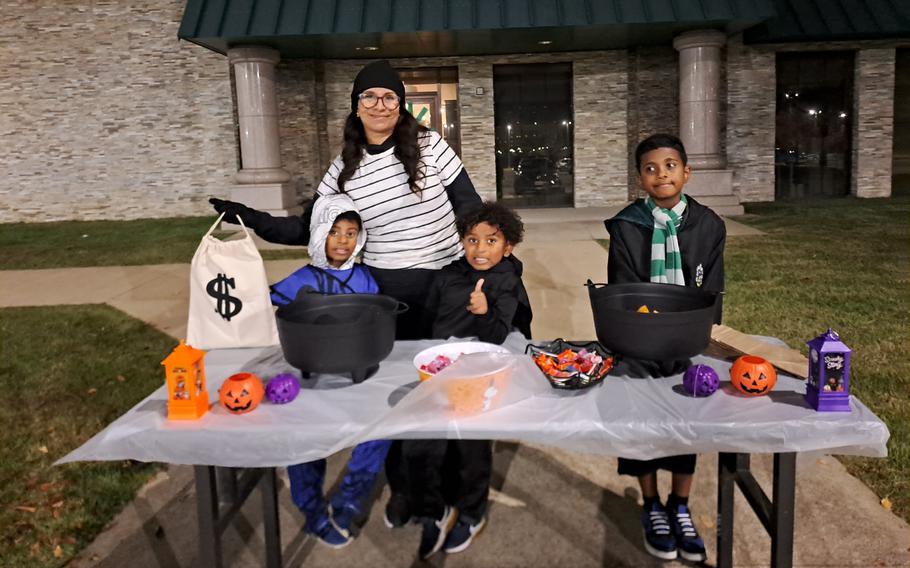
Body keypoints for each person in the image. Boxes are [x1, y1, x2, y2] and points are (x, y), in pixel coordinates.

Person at [209, 60, 482, 535]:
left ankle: (451, 493)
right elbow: (307, 228)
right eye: (369, 97)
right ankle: (406, 490)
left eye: (390, 98)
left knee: (445, 393)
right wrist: (250, 217)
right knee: (395, 395)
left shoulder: (431, 146)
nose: (380, 105)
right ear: (356, 108)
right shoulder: (343, 167)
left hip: (444, 286)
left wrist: (487, 260)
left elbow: (470, 207)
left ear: (401, 107)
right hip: (381, 294)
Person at [604, 133, 726, 563]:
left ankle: (680, 504)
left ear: (686, 172)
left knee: (683, 419)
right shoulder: (626, 225)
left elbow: (712, 286)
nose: (661, 174)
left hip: (687, 338)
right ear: (640, 178)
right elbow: (622, 287)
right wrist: (639, 330)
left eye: (670, 165)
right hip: (639, 339)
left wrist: (705, 333)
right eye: (651, 168)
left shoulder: (709, 225)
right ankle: (651, 503)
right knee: (640, 422)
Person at [404, 202, 532, 559]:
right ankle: (436, 507)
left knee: (471, 447)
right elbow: (430, 322)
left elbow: (496, 336)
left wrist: (483, 311)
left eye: (491, 241)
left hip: (481, 370)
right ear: (462, 242)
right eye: (472, 240)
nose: (480, 249)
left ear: (507, 247)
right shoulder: (446, 276)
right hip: (440, 369)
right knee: (423, 445)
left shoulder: (507, 280)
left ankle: (472, 511)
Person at [270, 194, 390, 548]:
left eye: (351, 233)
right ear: (320, 232)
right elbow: (270, 310)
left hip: (357, 373)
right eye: (335, 231)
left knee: (379, 433)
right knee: (305, 441)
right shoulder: (299, 280)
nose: (342, 240)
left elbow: (374, 319)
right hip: (312, 377)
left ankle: (350, 498)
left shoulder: (365, 279)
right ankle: (312, 512)